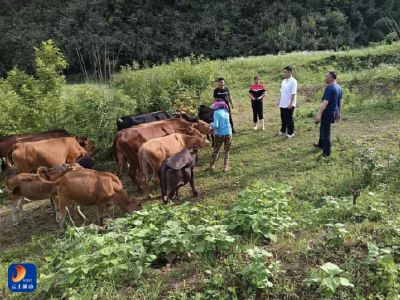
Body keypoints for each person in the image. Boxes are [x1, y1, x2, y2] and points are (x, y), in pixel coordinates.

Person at [314, 71, 343, 157]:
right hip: (335, 111)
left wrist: (319, 114)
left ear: (331, 78)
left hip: (328, 112)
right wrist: (339, 113)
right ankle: (320, 144)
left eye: (326, 77)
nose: (325, 78)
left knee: (326, 132)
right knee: (323, 128)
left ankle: (326, 153)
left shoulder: (329, 88)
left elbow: (325, 102)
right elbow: (340, 101)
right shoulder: (339, 87)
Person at [210, 101, 232, 172]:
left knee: (216, 150)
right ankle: (226, 167)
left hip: (219, 134)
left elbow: (216, 125)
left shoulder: (216, 113)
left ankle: (212, 166)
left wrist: (211, 125)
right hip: (228, 133)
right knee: (227, 151)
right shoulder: (226, 112)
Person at [278, 66, 297, 138]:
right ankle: (283, 130)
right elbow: (281, 91)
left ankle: (290, 133)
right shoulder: (284, 81)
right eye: (284, 72)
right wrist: (279, 100)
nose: (284, 74)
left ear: (289, 72)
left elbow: (293, 93)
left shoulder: (293, 81)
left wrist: (291, 103)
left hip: (289, 103)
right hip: (283, 102)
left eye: (285, 72)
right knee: (283, 117)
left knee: (289, 118)